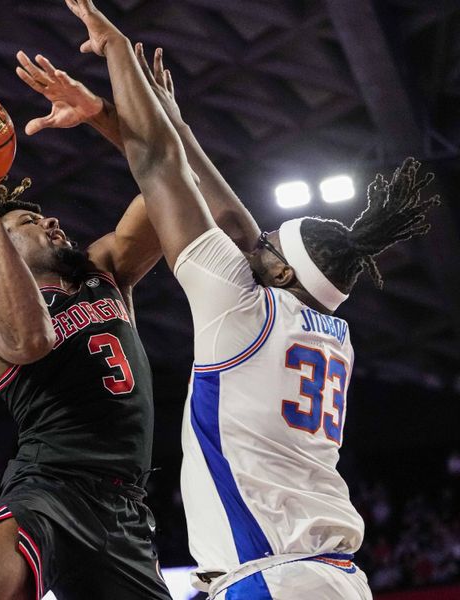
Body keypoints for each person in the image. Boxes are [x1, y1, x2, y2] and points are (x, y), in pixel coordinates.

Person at [63, 0, 440, 598]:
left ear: (286, 274)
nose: (252, 243)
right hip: (332, 575)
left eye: (268, 248)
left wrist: (117, 58)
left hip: (272, 576)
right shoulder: (329, 331)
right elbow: (236, 226)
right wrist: (177, 126)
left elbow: (164, 172)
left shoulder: (243, 312)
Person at [0, 137, 171, 597]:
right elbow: (33, 339)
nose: (50, 220)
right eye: (28, 220)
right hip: (50, 488)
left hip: (125, 506)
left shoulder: (101, 269)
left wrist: (122, 122)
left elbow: (169, 183)